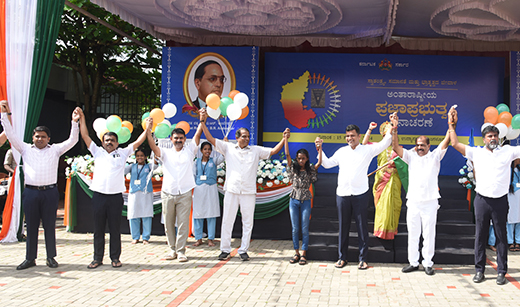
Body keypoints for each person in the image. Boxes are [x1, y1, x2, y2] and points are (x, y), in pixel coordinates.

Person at [199, 108, 288, 261]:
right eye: (244, 136)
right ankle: (225, 249)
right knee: (228, 220)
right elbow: (211, 139)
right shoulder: (228, 148)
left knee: (248, 222)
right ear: (237, 137)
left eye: (248, 137)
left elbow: (273, 151)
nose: (246, 139)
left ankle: (243, 250)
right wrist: (202, 122)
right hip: (232, 190)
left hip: (248, 192)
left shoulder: (255, 150)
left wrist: (284, 139)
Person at [0, 100, 79, 270]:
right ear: (33, 137)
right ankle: (30, 258)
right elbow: (11, 135)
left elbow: (73, 140)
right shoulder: (25, 149)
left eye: (43, 136)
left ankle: (51, 257)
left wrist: (74, 122)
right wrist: (4, 115)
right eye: (37, 136)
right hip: (31, 193)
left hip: (50, 193)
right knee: (32, 226)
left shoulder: (55, 150)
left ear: (48, 138)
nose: (40, 139)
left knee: (50, 225)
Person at [449, 106, 519, 285]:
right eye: (490, 136)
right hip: (481, 200)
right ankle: (479, 270)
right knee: (480, 236)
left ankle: (501, 272)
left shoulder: (508, 151)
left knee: (501, 237)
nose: (493, 138)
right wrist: (452, 125)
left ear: (499, 138)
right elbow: (455, 144)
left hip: (500, 201)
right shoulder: (476, 152)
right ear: (484, 139)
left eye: (495, 136)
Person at [318, 113, 397, 270]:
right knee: (343, 227)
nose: (349, 138)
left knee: (362, 227)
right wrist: (319, 149)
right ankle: (342, 258)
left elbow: (385, 142)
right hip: (343, 195)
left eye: (352, 136)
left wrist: (393, 126)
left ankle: (363, 259)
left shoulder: (366, 150)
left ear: (359, 136)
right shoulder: (341, 152)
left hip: (360, 194)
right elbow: (326, 164)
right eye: (347, 136)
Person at [78, 109, 150, 269]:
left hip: (115, 198)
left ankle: (115, 258)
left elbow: (138, 143)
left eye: (112, 140)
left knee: (115, 230)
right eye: (106, 140)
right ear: (102, 142)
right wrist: (82, 118)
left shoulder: (123, 153)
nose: (109, 142)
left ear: (117, 143)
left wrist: (148, 129)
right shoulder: (97, 152)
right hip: (98, 197)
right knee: (98, 230)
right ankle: (97, 259)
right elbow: (85, 136)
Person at [392, 120, 450, 275]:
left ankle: (428, 263)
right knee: (413, 234)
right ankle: (413, 262)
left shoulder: (435, 156)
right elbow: (395, 147)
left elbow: (446, 141)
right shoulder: (410, 156)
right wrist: (395, 128)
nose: (419, 148)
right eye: (417, 145)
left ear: (428, 146)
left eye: (422, 145)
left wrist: (452, 125)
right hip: (414, 202)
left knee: (429, 234)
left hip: (430, 202)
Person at [146, 117, 203, 262]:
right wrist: (148, 130)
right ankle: (172, 250)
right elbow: (153, 147)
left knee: (183, 223)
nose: (178, 140)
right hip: (168, 192)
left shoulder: (190, 150)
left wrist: (202, 121)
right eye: (176, 138)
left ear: (185, 139)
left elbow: (197, 136)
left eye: (181, 138)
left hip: (184, 192)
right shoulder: (165, 152)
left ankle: (181, 251)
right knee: (168, 223)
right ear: (171, 139)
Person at [284, 133, 322, 265]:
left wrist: (320, 148)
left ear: (307, 159)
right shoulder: (293, 169)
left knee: (305, 228)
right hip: (293, 199)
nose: (301, 161)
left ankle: (304, 253)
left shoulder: (310, 169)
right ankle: (296, 252)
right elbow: (287, 156)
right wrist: (285, 140)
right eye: (299, 158)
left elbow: (319, 163)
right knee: (295, 228)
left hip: (306, 199)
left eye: (303, 158)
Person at [369, 121, 402, 240]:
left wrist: (397, 163)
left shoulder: (399, 149)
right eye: (387, 134)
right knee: (381, 205)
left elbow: (405, 164)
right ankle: (380, 230)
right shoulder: (378, 147)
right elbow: (363, 144)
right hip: (381, 180)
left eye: (392, 134)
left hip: (394, 179)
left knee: (393, 204)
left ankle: (391, 230)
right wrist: (369, 130)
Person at [192, 141, 224, 247]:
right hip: (199, 190)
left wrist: (225, 145)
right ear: (201, 151)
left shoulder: (214, 161)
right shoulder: (196, 162)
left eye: (209, 149)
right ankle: (198, 238)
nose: (207, 151)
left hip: (211, 190)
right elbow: (193, 175)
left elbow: (223, 157)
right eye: (205, 149)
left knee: (211, 214)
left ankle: (210, 239)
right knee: (198, 214)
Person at [124, 147, 156, 244]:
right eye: (137, 156)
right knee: (134, 214)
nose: (139, 157)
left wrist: (156, 158)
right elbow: (123, 171)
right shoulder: (131, 167)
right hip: (134, 193)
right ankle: (135, 236)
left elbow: (157, 167)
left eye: (141, 156)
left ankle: (146, 237)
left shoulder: (149, 166)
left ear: (145, 157)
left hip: (146, 193)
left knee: (146, 214)